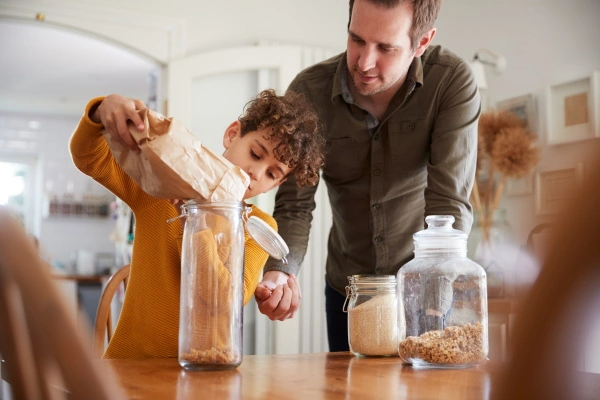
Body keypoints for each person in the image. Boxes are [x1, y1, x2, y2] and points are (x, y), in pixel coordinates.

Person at [261, 0, 480, 351]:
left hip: (425, 285)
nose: (363, 63)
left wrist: (432, 303)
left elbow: (447, 203)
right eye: (356, 39)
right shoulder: (310, 90)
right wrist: (280, 272)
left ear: (421, 42)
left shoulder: (450, 82)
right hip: (348, 287)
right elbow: (294, 206)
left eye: (386, 48)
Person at [69, 89, 325, 358]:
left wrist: (200, 219)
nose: (255, 174)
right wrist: (101, 110)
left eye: (271, 174)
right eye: (255, 154)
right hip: (130, 362)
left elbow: (226, 302)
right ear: (231, 134)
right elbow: (90, 159)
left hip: (205, 369)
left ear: (277, 184)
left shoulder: (258, 227)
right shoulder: (162, 187)